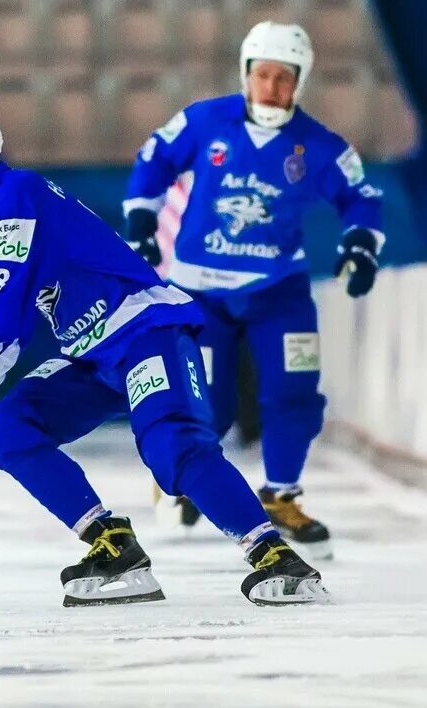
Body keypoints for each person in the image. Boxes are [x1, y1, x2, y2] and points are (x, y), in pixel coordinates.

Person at [0, 99, 329, 606]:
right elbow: (6, 335)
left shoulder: (19, 192)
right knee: (6, 428)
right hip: (92, 355)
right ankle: (113, 544)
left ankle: (274, 555)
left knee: (173, 447)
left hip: (147, 332)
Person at [123, 22, 384, 559]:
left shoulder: (318, 145)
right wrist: (143, 226)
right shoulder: (203, 121)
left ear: (299, 83)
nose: (271, 88)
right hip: (200, 293)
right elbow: (153, 161)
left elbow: (362, 197)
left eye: (283, 78)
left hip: (277, 291)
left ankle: (281, 497)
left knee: (294, 393)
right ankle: (188, 480)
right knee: (205, 405)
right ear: (245, 75)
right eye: (262, 75)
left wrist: (360, 247)